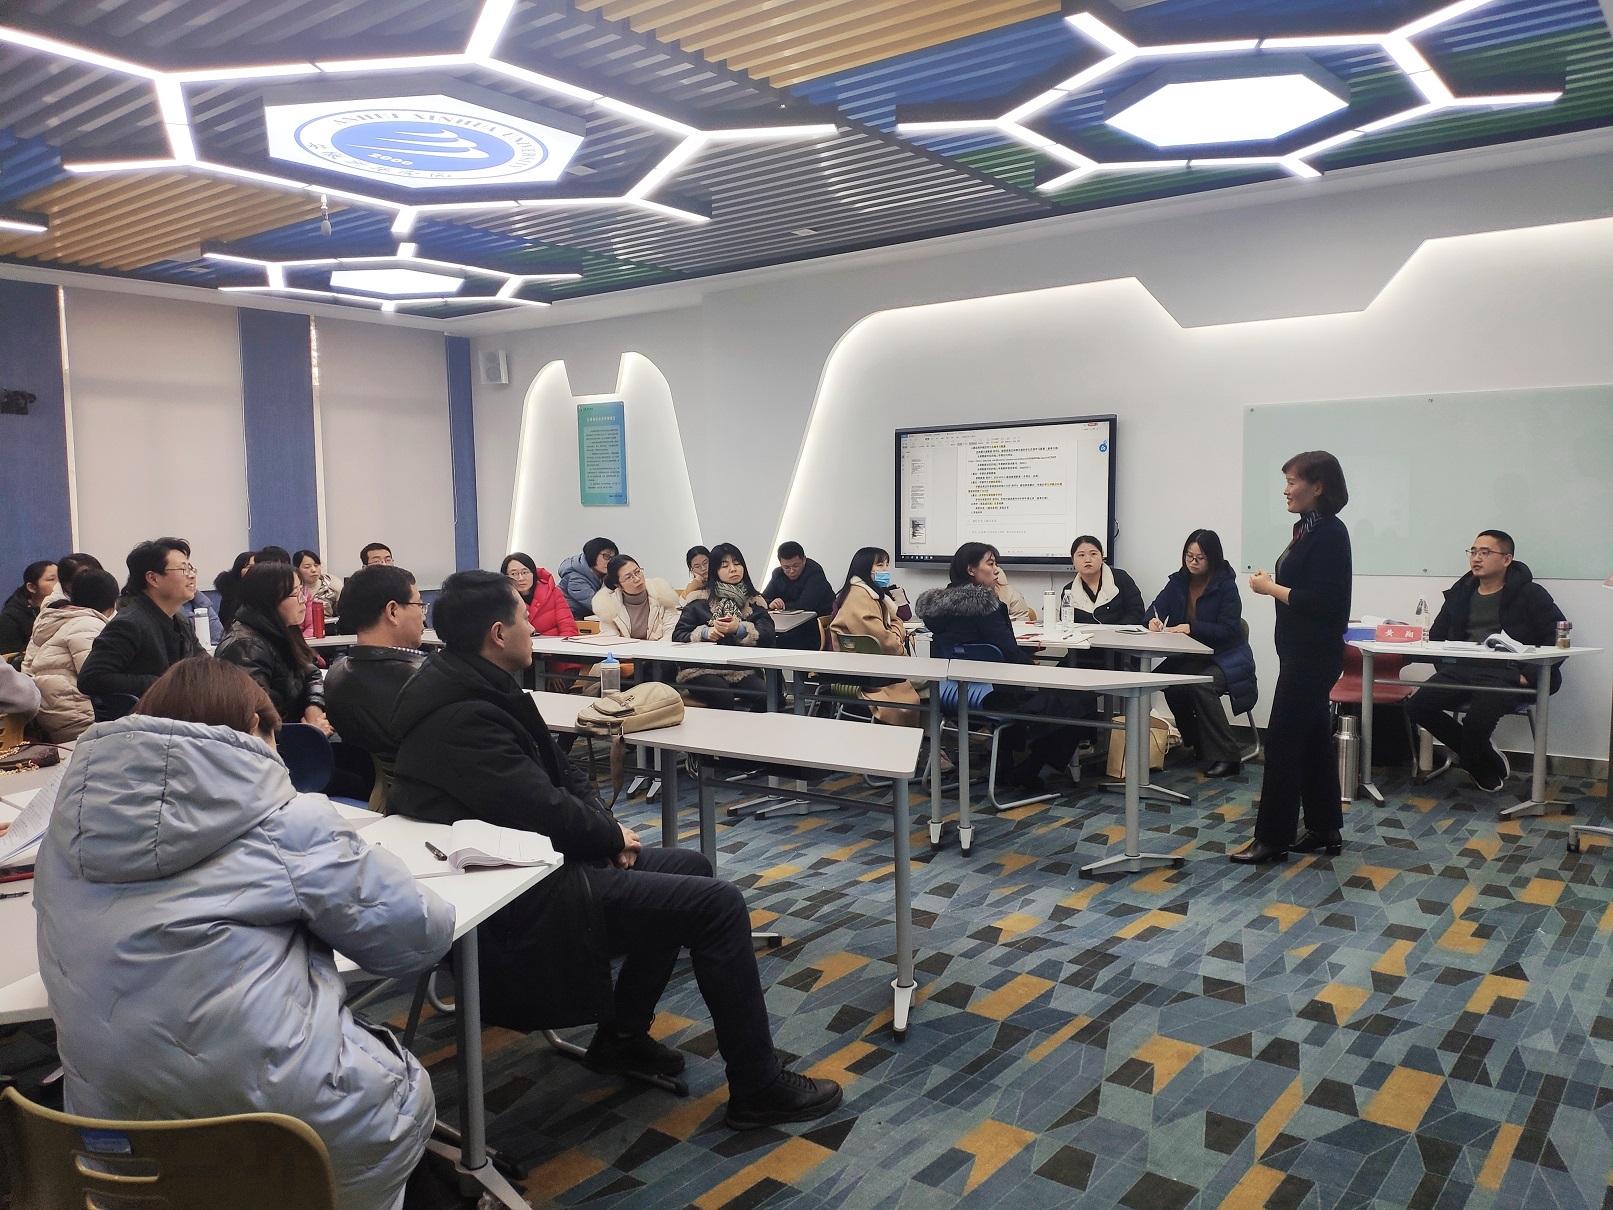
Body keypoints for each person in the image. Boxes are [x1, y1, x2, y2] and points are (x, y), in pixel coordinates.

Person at [387, 570, 840, 1129]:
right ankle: (758, 1086)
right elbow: (538, 806)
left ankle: (621, 1037)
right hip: (519, 893)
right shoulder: (463, 715)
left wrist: (606, 833)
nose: (534, 627)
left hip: (540, 861)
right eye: (525, 618)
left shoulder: (481, 687)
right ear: (498, 634)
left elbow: (563, 774)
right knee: (718, 906)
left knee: (694, 868)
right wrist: (603, 839)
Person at [35, 656, 453, 1210]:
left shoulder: (61, 838)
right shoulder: (289, 824)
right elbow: (418, 937)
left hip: (118, 1163)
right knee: (392, 1095)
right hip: (289, 1153)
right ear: (257, 729)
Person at [1234, 451, 1352, 864]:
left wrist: (1269, 588)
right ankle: (1324, 828)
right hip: (1299, 652)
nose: (1285, 490)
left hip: (1313, 655)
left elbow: (1321, 602)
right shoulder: (1306, 529)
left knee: (1282, 743)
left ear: (1317, 487)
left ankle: (1272, 839)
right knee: (1314, 741)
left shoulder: (1330, 533)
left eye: (1292, 481)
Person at [1405, 530, 1566, 792]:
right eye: (1473, 552)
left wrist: (1529, 674)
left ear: (1506, 559)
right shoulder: (1461, 592)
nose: (1476, 558)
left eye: (1485, 552)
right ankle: (1483, 757)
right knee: (1417, 706)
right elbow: (1437, 636)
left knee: (1477, 721)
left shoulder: (1530, 594)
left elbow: (1558, 636)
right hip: (1463, 669)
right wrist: (1447, 666)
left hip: (1507, 671)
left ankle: (1473, 762)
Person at [1145, 530, 1258, 777]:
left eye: (1200, 558)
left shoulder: (1225, 586)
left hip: (1227, 657)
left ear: (1213, 558)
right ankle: (1198, 744)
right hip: (1193, 656)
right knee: (1171, 683)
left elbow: (1229, 629)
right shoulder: (1178, 581)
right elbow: (1155, 608)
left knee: (1201, 685)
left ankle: (1228, 757)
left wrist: (1192, 627)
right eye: (1189, 556)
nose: (1193, 562)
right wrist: (1152, 621)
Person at [78, 538, 203, 699]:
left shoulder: (180, 618)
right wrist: (162, 684)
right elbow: (91, 678)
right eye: (183, 569)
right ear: (153, 579)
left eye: (191, 568)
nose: (192, 576)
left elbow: (202, 663)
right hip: (145, 712)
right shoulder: (129, 624)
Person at [215, 561, 332, 735]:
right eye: (295, 593)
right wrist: (308, 733)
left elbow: (311, 671)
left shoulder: (282, 629)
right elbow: (259, 719)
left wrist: (313, 708)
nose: (304, 600)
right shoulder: (245, 646)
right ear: (270, 599)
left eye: (302, 591)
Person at [21, 567, 119, 742]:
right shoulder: (87, 624)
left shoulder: (53, 619)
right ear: (113, 602)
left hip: (48, 714)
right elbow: (97, 679)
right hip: (80, 718)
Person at [673, 543, 775, 710]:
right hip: (701, 669)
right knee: (722, 695)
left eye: (737, 563)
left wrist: (740, 629)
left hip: (741, 669)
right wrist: (705, 633)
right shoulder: (698, 601)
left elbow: (768, 635)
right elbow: (678, 635)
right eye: (724, 565)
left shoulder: (754, 601)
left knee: (767, 695)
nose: (733, 569)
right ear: (715, 571)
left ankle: (749, 726)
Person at [826, 547, 920, 727]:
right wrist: (898, 634)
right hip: (872, 673)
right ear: (864, 567)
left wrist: (896, 630)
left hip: (871, 667)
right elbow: (884, 641)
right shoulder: (861, 596)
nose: (885, 570)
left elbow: (896, 621)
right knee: (931, 684)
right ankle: (924, 737)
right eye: (880, 565)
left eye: (887, 565)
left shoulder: (870, 593)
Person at [761, 542, 835, 651]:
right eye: (786, 567)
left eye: (796, 566)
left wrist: (783, 606)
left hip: (815, 627)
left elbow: (806, 604)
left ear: (804, 559)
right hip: (790, 625)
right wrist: (771, 603)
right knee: (766, 641)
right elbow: (762, 599)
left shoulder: (815, 572)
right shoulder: (778, 574)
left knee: (780, 644)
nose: (791, 571)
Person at [1060, 536, 1145, 626]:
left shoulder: (1121, 578)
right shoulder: (1069, 591)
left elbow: (1137, 612)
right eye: (1081, 555)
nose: (1087, 560)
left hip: (1120, 633)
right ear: (1073, 560)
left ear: (1102, 556)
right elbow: (1066, 621)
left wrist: (1115, 630)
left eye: (1093, 554)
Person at [594, 555, 681, 641]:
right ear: (618, 585)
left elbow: (671, 631)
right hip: (625, 649)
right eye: (628, 577)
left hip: (659, 648)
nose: (637, 579)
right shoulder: (608, 605)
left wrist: (653, 649)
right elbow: (609, 638)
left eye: (638, 572)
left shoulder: (663, 595)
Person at [503, 552, 578, 639]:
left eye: (525, 572)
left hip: (553, 644)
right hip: (520, 646)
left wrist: (560, 646)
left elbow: (568, 627)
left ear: (534, 573)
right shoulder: (503, 599)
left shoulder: (554, 593)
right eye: (514, 574)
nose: (521, 578)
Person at [0, 560, 57, 657]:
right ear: (31, 587)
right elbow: (10, 657)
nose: (59, 584)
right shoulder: (11, 617)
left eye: (61, 578)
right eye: (51, 579)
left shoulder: (64, 608)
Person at [558, 537, 618, 619]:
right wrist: (609, 581)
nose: (610, 561)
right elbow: (600, 607)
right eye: (606, 556)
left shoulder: (600, 575)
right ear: (593, 554)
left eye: (613, 558)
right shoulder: (575, 579)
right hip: (568, 620)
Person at [294, 549, 342, 620]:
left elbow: (341, 613)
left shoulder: (333, 586)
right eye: (307, 567)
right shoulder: (294, 590)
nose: (313, 570)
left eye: (316, 565)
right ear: (297, 570)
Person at [213, 550, 255, 631]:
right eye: (249, 567)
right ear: (239, 569)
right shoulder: (231, 592)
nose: (254, 570)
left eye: (256, 566)